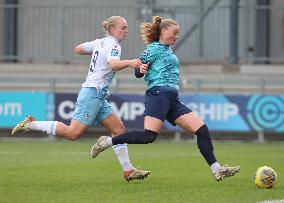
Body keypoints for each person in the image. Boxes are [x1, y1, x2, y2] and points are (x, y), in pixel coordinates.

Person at [90, 16, 240, 181]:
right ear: (163, 31)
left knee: (201, 129)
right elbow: (138, 72)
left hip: (172, 99)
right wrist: (141, 68)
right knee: (149, 136)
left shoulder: (168, 50)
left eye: (178, 34)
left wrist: (143, 69)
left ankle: (217, 169)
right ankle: (107, 142)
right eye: (174, 33)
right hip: (158, 94)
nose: (176, 36)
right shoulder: (153, 48)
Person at [11, 16, 150, 182]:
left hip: (98, 95)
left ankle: (129, 171)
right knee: (73, 133)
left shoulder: (100, 42)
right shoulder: (113, 45)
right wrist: (130, 62)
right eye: (123, 27)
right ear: (112, 29)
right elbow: (113, 64)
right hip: (92, 93)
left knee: (118, 129)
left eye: (127, 28)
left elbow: (78, 49)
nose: (126, 31)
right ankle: (30, 124)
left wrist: (97, 52)